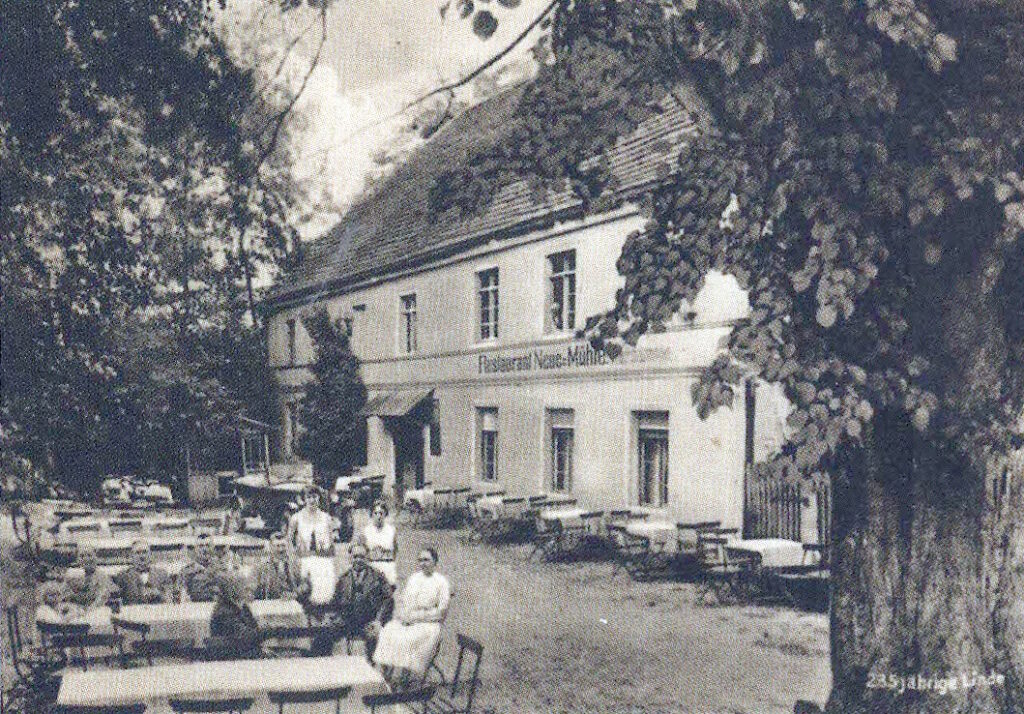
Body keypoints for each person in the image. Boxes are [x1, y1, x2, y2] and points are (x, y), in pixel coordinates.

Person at [373, 547, 450, 686]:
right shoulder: (414, 578)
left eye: (426, 560)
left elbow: (441, 613)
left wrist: (416, 618)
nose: (423, 563)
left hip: (429, 624)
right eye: (420, 560)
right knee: (388, 631)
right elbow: (404, 601)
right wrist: (404, 616)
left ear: (435, 561)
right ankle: (387, 674)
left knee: (408, 639)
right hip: (410, 619)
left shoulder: (441, 582)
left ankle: (404, 676)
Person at [310, 543, 394, 657]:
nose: (358, 560)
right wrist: (325, 613)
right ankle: (325, 668)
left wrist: (379, 621)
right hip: (346, 621)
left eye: (362, 557)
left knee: (376, 639)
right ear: (350, 558)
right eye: (355, 557)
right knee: (322, 636)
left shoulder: (378, 577)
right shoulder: (344, 578)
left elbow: (388, 600)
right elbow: (335, 602)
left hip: (369, 621)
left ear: (367, 558)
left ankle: (370, 670)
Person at [287, 486, 336, 607]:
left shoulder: (326, 518)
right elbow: (288, 540)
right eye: (309, 497)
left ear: (319, 498)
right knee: (306, 591)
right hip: (304, 559)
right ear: (304, 499)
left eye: (315, 497)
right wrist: (293, 557)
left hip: (323, 560)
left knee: (324, 594)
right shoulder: (296, 518)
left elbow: (331, 541)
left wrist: (330, 559)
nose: (312, 500)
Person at [208, 572, 262, 659]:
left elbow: (254, 629)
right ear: (233, 589)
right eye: (245, 588)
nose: (250, 591)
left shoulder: (243, 607)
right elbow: (246, 635)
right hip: (230, 659)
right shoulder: (224, 611)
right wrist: (272, 631)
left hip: (245, 654)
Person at [113, 540, 172, 604]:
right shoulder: (123, 576)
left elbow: (170, 600)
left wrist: (159, 594)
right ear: (131, 556)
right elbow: (117, 602)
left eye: (144, 552)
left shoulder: (162, 574)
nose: (142, 556)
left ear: (150, 554)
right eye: (137, 553)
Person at [358, 500, 398, 586]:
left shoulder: (391, 530)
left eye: (381, 513)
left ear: (385, 514)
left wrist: (389, 562)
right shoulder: (366, 531)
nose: (378, 516)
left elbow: (395, 550)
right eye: (375, 513)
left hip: (388, 565)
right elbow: (362, 551)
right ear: (371, 515)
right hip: (372, 565)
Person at [252, 533, 298, 600]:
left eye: (283, 545)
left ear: (288, 546)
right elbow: (255, 589)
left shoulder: (295, 564)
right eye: (277, 546)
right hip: (270, 604)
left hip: (293, 604)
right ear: (271, 547)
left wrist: (295, 594)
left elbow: (303, 585)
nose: (281, 549)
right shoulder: (262, 566)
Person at [180, 534, 222, 602]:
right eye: (201, 546)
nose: (204, 549)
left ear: (213, 548)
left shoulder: (221, 569)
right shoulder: (186, 571)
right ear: (195, 549)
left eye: (208, 545)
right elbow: (183, 596)